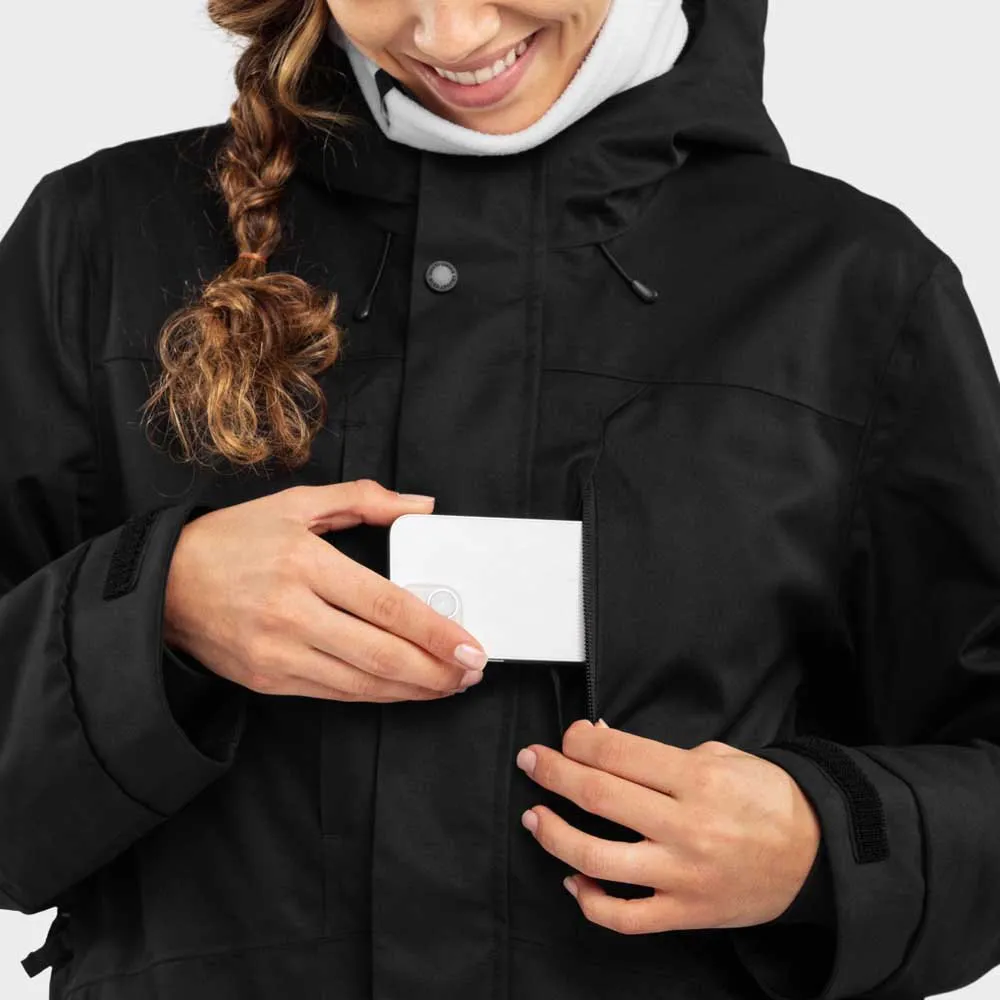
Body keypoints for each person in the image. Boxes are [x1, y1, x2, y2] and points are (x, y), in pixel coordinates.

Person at [1, 0, 998, 997]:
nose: (448, 35)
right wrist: (159, 609)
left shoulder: (853, 285)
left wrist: (822, 845)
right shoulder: (101, 243)